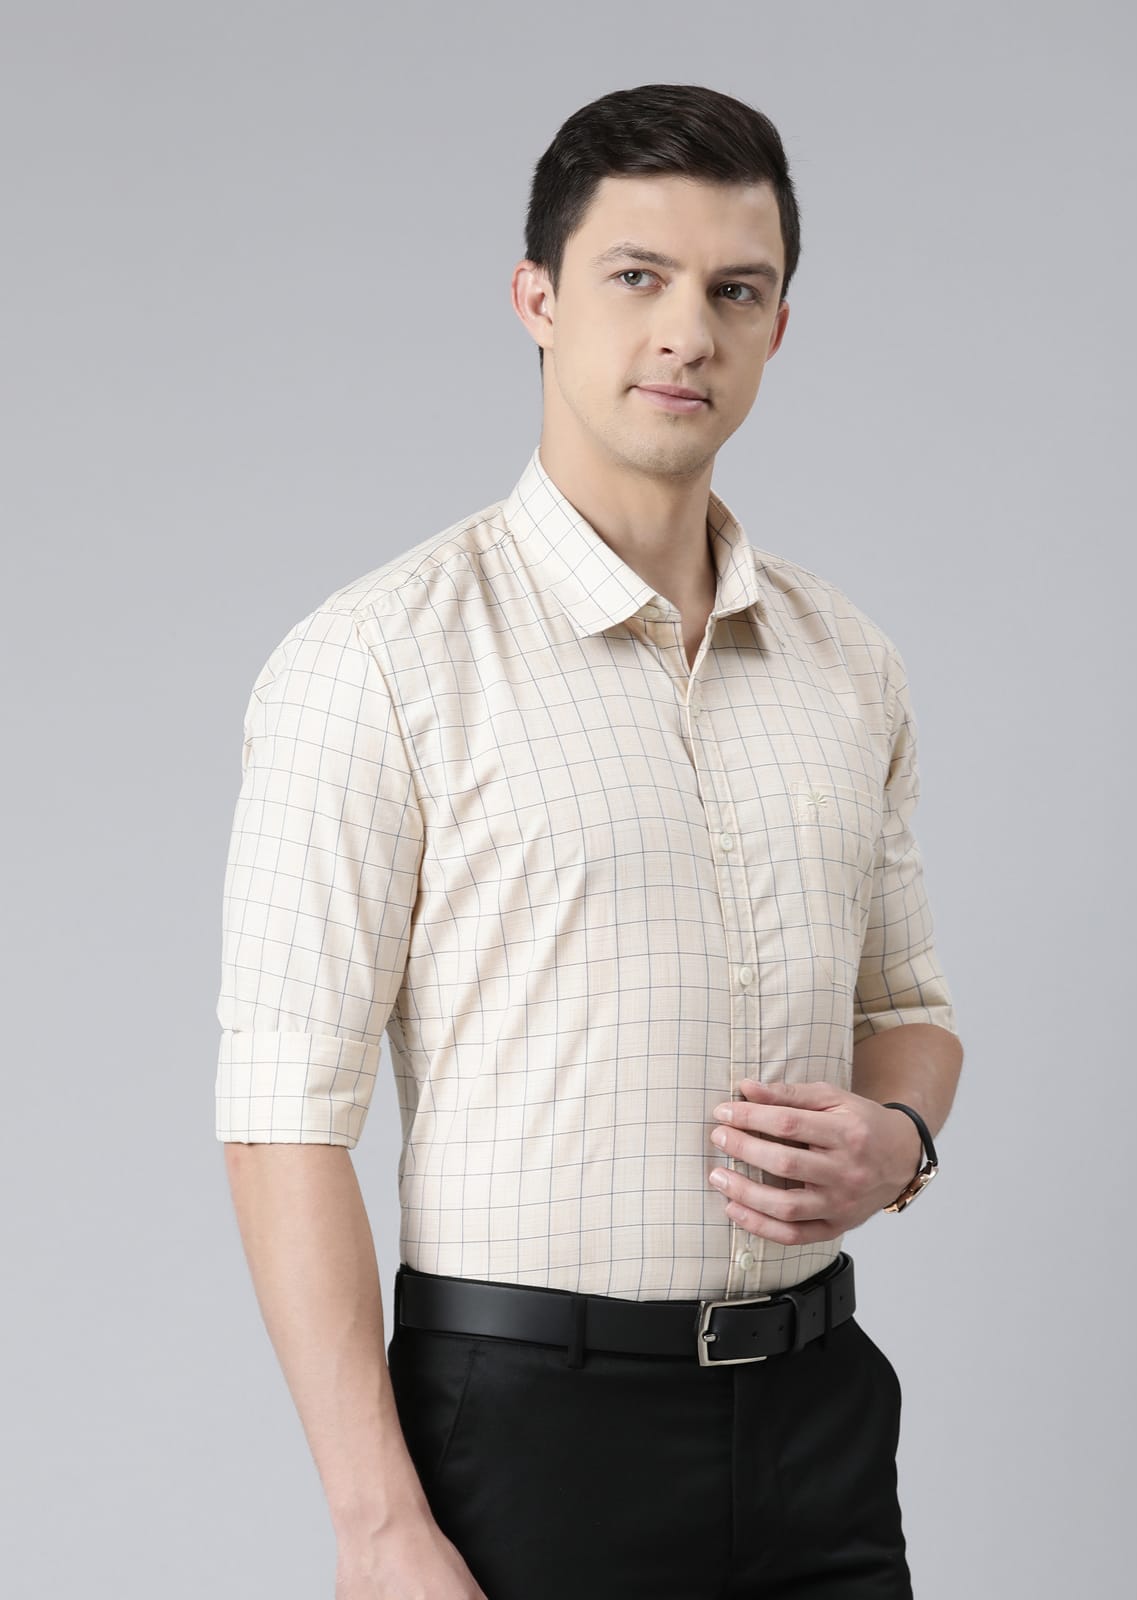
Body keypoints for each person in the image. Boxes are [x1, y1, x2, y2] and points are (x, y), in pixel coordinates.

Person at [215, 81, 964, 1600]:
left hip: (819, 1421)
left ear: (777, 328)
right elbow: (282, 1116)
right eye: (638, 276)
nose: (687, 331)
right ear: (538, 300)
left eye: (734, 291)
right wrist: (378, 1527)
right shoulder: (378, 661)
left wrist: (900, 1142)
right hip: (527, 1436)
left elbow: (911, 1011)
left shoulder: (849, 663)